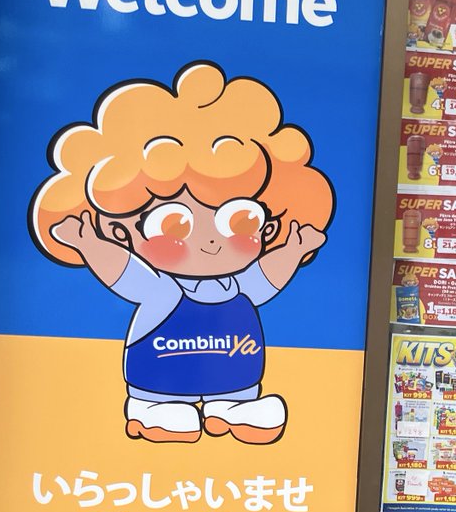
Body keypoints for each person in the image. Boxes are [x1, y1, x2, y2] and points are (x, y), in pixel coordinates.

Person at [31, 61, 333, 445]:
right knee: (167, 409)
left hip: (236, 379)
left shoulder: (240, 285)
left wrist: (294, 248)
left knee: (238, 397)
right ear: (121, 230)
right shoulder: (161, 289)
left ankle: (233, 407)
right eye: (175, 226)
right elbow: (120, 269)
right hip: (160, 381)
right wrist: (88, 242)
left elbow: (269, 274)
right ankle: (151, 410)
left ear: (267, 226)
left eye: (239, 221)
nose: (210, 242)